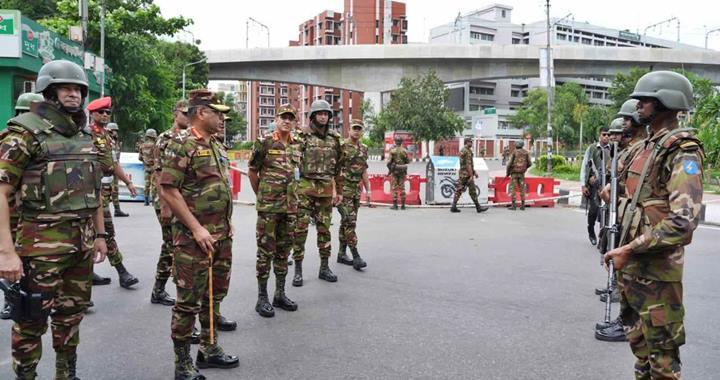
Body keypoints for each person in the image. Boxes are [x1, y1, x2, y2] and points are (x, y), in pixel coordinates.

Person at [0, 59, 109, 380]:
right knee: (31, 322)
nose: (74, 94)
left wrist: (101, 236)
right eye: (66, 88)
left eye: (78, 89)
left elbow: (94, 191)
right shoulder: (23, 135)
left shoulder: (84, 136)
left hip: (81, 246)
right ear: (48, 91)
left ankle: (66, 373)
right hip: (38, 250)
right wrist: (6, 252)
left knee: (71, 317)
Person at [604, 71, 703, 379]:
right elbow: (637, 195)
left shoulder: (681, 149)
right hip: (632, 270)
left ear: (666, 102)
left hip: (656, 274)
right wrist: (615, 192)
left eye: (646, 100)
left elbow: (683, 221)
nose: (639, 106)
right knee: (642, 352)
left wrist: (631, 248)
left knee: (662, 361)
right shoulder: (644, 146)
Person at [160, 89, 238, 379]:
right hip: (194, 238)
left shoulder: (216, 145)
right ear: (202, 112)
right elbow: (169, 189)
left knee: (214, 295)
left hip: (220, 234)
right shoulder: (182, 144)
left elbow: (219, 188)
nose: (222, 118)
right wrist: (195, 227)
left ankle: (208, 348)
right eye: (217, 112)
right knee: (188, 301)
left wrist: (227, 221)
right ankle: (182, 363)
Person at [248, 104, 301, 318]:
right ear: (277, 120)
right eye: (283, 117)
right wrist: (261, 195)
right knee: (265, 252)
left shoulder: (298, 144)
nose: (287, 121)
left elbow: (299, 173)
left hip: (290, 208)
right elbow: (252, 171)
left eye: (291, 118)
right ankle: (262, 297)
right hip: (269, 208)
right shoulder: (265, 142)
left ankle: (280, 293)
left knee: (283, 251)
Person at [0, 93, 45, 321]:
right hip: (9, 208)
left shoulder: (37, 138)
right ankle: (11, 300)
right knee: (11, 255)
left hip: (26, 208)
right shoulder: (10, 139)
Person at [87, 96, 139, 289]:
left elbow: (113, 163)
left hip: (102, 191)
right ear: (92, 114)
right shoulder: (86, 134)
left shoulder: (107, 136)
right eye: (101, 112)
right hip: (88, 191)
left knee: (105, 232)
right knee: (87, 234)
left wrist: (128, 182)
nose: (105, 115)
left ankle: (121, 272)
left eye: (107, 112)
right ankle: (88, 276)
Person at [291, 99, 343, 286]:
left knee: (324, 230)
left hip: (326, 190)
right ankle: (298, 270)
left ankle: (324, 267)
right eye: (320, 113)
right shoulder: (302, 136)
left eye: (326, 114)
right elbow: (293, 164)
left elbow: (338, 167)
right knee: (300, 231)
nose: (323, 116)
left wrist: (338, 191)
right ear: (312, 116)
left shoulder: (335, 139)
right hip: (305, 188)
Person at [150, 101, 189, 308]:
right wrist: (165, 205)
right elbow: (159, 174)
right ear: (175, 114)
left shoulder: (191, 138)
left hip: (184, 202)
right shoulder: (164, 139)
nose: (188, 116)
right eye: (184, 113)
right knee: (171, 246)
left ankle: (162, 289)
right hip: (168, 201)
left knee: (179, 247)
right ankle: (160, 289)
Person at [336, 119, 371, 270]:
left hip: (356, 191)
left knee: (346, 222)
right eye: (354, 128)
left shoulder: (364, 148)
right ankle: (355, 255)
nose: (356, 131)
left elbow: (364, 170)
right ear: (349, 130)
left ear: (362, 131)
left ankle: (341, 254)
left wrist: (368, 189)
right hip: (343, 190)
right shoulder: (342, 146)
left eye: (359, 129)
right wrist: (334, 191)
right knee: (350, 221)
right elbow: (334, 169)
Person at [580, 126, 611, 245]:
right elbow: (584, 166)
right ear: (599, 135)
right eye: (604, 134)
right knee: (593, 210)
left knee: (607, 212)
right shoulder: (592, 148)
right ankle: (591, 230)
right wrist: (583, 185)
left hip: (607, 185)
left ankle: (603, 237)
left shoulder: (613, 148)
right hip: (594, 185)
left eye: (608, 135)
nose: (606, 137)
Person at [450, 137, 486, 213]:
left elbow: (468, 164)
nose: (471, 143)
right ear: (466, 142)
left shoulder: (464, 150)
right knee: (472, 191)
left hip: (463, 173)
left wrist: (474, 171)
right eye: (470, 142)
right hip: (467, 174)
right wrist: (471, 176)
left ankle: (453, 206)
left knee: (459, 190)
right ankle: (478, 207)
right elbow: (468, 165)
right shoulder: (467, 151)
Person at [106, 122, 129, 217]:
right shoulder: (107, 140)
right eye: (114, 130)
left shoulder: (116, 142)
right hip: (107, 170)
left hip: (115, 169)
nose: (115, 132)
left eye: (116, 130)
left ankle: (117, 209)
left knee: (115, 190)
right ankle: (105, 210)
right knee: (106, 190)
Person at [506, 140, 532, 210]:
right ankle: (523, 205)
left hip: (514, 173)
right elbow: (530, 163)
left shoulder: (514, 152)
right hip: (522, 174)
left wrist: (507, 173)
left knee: (513, 189)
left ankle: (513, 205)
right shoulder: (526, 152)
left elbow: (509, 164)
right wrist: (524, 168)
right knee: (522, 189)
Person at [387, 136, 409, 210]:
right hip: (402, 171)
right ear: (401, 142)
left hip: (394, 171)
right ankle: (403, 205)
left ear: (395, 141)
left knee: (394, 188)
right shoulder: (405, 151)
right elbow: (408, 161)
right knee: (402, 188)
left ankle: (395, 205)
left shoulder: (392, 151)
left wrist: (390, 169)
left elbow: (388, 162)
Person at [138, 128, 158, 206]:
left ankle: (146, 201)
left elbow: (140, 158)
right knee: (154, 185)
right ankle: (153, 201)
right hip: (154, 168)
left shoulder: (142, 146)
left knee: (146, 184)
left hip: (146, 168)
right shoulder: (155, 145)